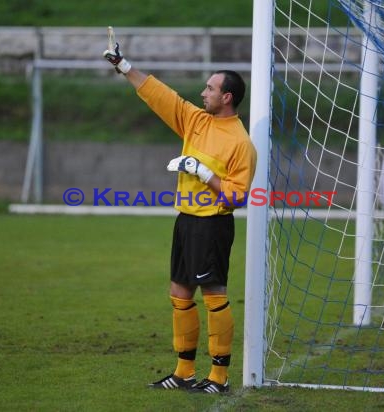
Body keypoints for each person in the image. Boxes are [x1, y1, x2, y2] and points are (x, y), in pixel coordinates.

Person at [103, 38, 257, 394]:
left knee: (214, 294)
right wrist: (123, 66)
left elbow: (237, 195)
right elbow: (160, 95)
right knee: (179, 293)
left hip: (213, 224)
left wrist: (203, 172)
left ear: (227, 97)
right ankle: (184, 372)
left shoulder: (240, 143)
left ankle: (219, 377)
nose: (203, 93)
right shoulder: (196, 121)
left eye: (210, 88)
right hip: (186, 220)